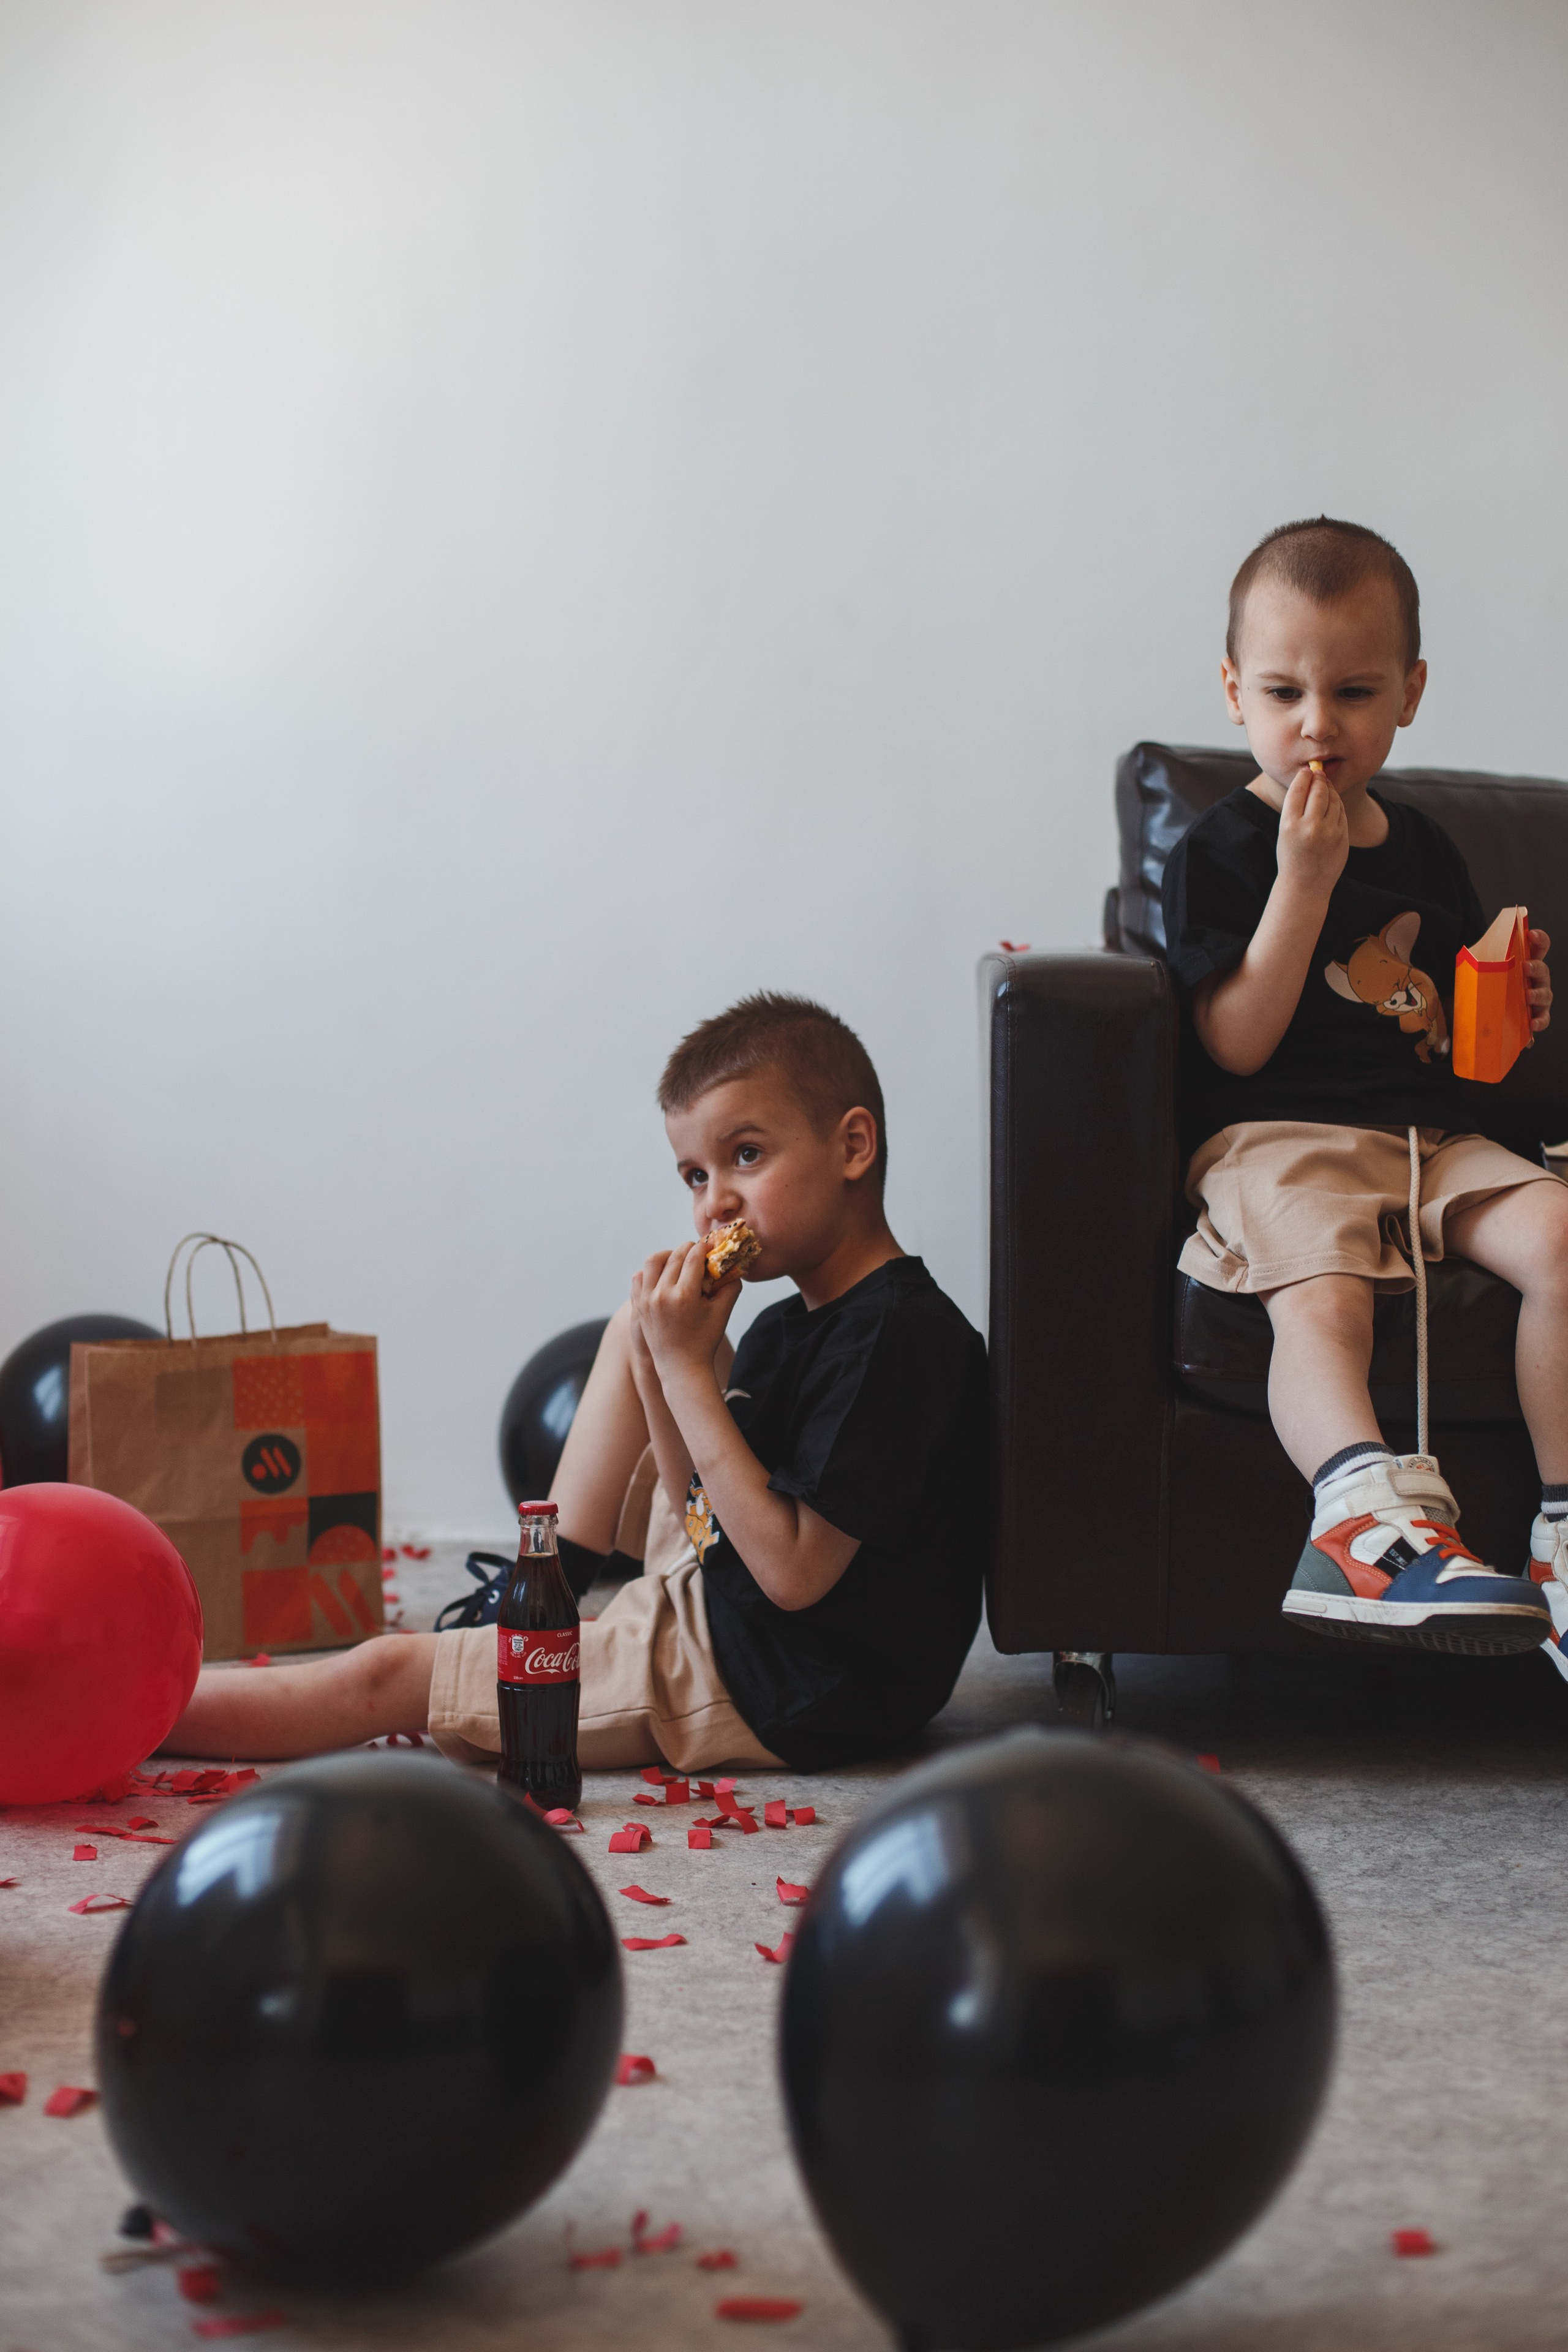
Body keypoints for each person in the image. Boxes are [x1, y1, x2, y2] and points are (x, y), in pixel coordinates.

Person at [166, 992, 988, 1771]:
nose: (715, 1204)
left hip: (787, 1686)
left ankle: (143, 1709)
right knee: (638, 1326)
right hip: (734, 1596)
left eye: (746, 1155)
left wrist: (686, 1372)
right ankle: (539, 1592)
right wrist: (665, 1363)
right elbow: (704, 1526)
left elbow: (794, 1578)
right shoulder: (783, 1326)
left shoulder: (898, 1339)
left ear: (853, 1146)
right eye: (695, 1176)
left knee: (386, 1673)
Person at [1162, 517, 1568, 1662]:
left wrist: (1510, 1008)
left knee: (1562, 1235)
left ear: (1409, 695)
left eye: (1353, 692)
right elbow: (1235, 1043)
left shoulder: (1428, 849)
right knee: (1323, 1295)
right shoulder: (1220, 848)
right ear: (1234, 692)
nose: (1318, 724)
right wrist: (1304, 883)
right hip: (1278, 1139)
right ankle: (1360, 1519)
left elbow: (1461, 1051)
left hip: (1430, 1138)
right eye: (1284, 692)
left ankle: (1560, 1535)